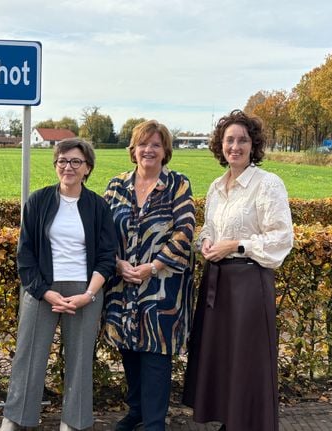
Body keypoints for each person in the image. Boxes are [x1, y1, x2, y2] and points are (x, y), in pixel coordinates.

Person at [182, 109, 294, 431]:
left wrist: (235, 245)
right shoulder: (217, 186)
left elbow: (281, 237)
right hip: (217, 284)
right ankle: (230, 422)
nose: (235, 146)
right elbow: (209, 229)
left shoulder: (267, 184)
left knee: (247, 361)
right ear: (221, 146)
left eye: (242, 140)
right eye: (229, 140)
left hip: (249, 284)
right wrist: (205, 243)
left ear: (253, 145)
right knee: (223, 359)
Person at [0, 138, 117, 431]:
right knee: (28, 357)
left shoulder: (98, 206)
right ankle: (15, 419)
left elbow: (106, 257)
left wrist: (89, 295)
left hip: (84, 291)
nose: (68, 167)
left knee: (79, 361)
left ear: (87, 167)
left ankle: (72, 423)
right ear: (55, 165)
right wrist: (44, 291)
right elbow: (25, 254)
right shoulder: (38, 201)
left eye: (76, 161)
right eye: (62, 161)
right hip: (42, 290)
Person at [102, 120, 195, 431]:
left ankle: (155, 422)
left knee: (155, 352)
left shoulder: (178, 184)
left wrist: (152, 266)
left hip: (161, 286)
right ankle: (137, 411)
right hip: (121, 284)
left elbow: (185, 232)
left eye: (156, 144)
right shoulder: (116, 186)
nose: (149, 150)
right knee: (128, 347)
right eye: (143, 144)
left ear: (165, 150)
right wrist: (116, 263)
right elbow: (102, 232)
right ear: (134, 149)